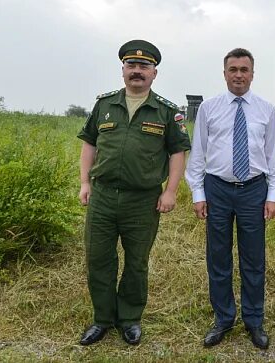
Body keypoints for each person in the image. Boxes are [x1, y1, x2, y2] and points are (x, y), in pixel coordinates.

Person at [77, 40, 191, 346]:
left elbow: (178, 152)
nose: (137, 71)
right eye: (131, 65)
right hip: (102, 196)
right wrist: (85, 183)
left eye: (144, 66)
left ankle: (129, 318)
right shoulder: (104, 104)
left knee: (137, 261)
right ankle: (102, 319)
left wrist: (170, 192)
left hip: (142, 200)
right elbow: (89, 143)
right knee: (98, 258)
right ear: (123, 70)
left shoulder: (167, 111)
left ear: (155, 73)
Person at [185, 48, 275, 350]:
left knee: (253, 259)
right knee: (219, 257)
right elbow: (198, 152)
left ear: (253, 73)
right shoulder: (209, 108)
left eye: (244, 69)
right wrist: (198, 193)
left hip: (254, 189)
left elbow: (272, 155)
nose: (238, 74)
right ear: (224, 73)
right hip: (218, 189)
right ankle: (224, 318)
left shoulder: (265, 110)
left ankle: (254, 321)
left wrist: (273, 195)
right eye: (233, 69)